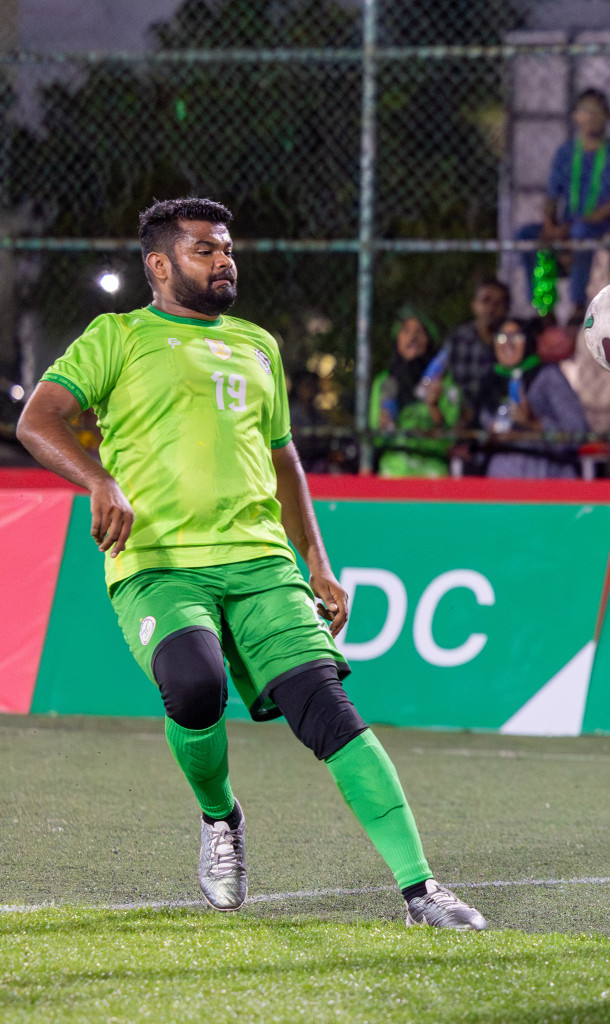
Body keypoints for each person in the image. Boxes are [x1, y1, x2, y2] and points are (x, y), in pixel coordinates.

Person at [16, 197, 485, 930]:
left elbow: (284, 458)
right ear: (160, 265)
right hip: (157, 564)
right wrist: (99, 480)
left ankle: (422, 891)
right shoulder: (117, 337)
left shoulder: (257, 344)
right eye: (205, 249)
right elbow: (37, 420)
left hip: (262, 564)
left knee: (327, 710)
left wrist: (318, 563)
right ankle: (219, 818)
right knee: (195, 687)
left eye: (228, 248)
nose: (224, 259)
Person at [515, 89, 610, 314]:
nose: (590, 117)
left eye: (596, 111)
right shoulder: (566, 153)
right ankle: (542, 307)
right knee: (526, 235)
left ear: (607, 117)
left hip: (599, 227)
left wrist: (567, 229)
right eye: (585, 111)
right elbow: (552, 196)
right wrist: (550, 227)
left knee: (581, 233)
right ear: (576, 116)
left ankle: (577, 306)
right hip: (566, 228)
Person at [485, 320, 591, 479]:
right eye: (501, 337)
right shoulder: (490, 381)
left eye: (516, 337)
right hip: (501, 478)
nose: (508, 344)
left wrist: (533, 423)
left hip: (545, 475)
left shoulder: (548, 377)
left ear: (528, 340)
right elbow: (475, 433)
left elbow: (578, 432)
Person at [431, 278, 510, 467]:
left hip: (500, 425)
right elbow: (434, 379)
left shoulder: (511, 341)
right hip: (461, 424)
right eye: (486, 300)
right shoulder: (458, 339)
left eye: (498, 303)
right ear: (474, 306)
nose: (492, 308)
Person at [369, 311, 450, 479]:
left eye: (419, 331)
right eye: (405, 331)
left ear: (430, 339)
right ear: (396, 339)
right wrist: (383, 424)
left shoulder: (444, 382)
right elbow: (375, 438)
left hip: (432, 474)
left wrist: (433, 407)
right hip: (393, 472)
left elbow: (451, 442)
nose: (412, 338)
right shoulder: (384, 381)